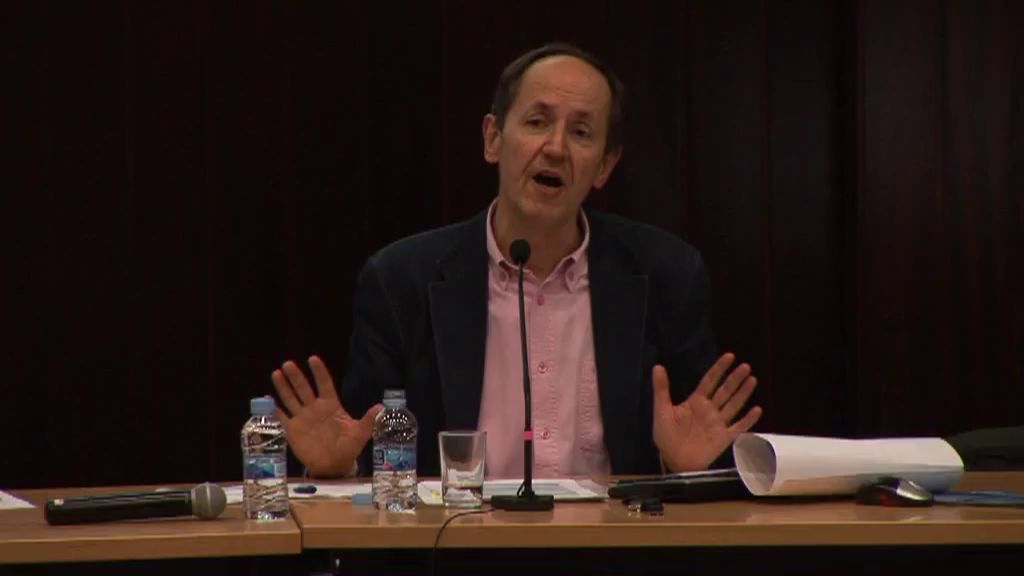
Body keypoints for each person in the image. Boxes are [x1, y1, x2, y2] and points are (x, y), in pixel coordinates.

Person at [271, 42, 762, 479]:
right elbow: (366, 451)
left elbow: (701, 446)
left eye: (581, 132)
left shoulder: (667, 276)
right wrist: (338, 467)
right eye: (537, 122)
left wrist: (680, 467)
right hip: (454, 541)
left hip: (612, 541)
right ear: (493, 139)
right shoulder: (401, 281)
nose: (556, 148)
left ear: (605, 165)